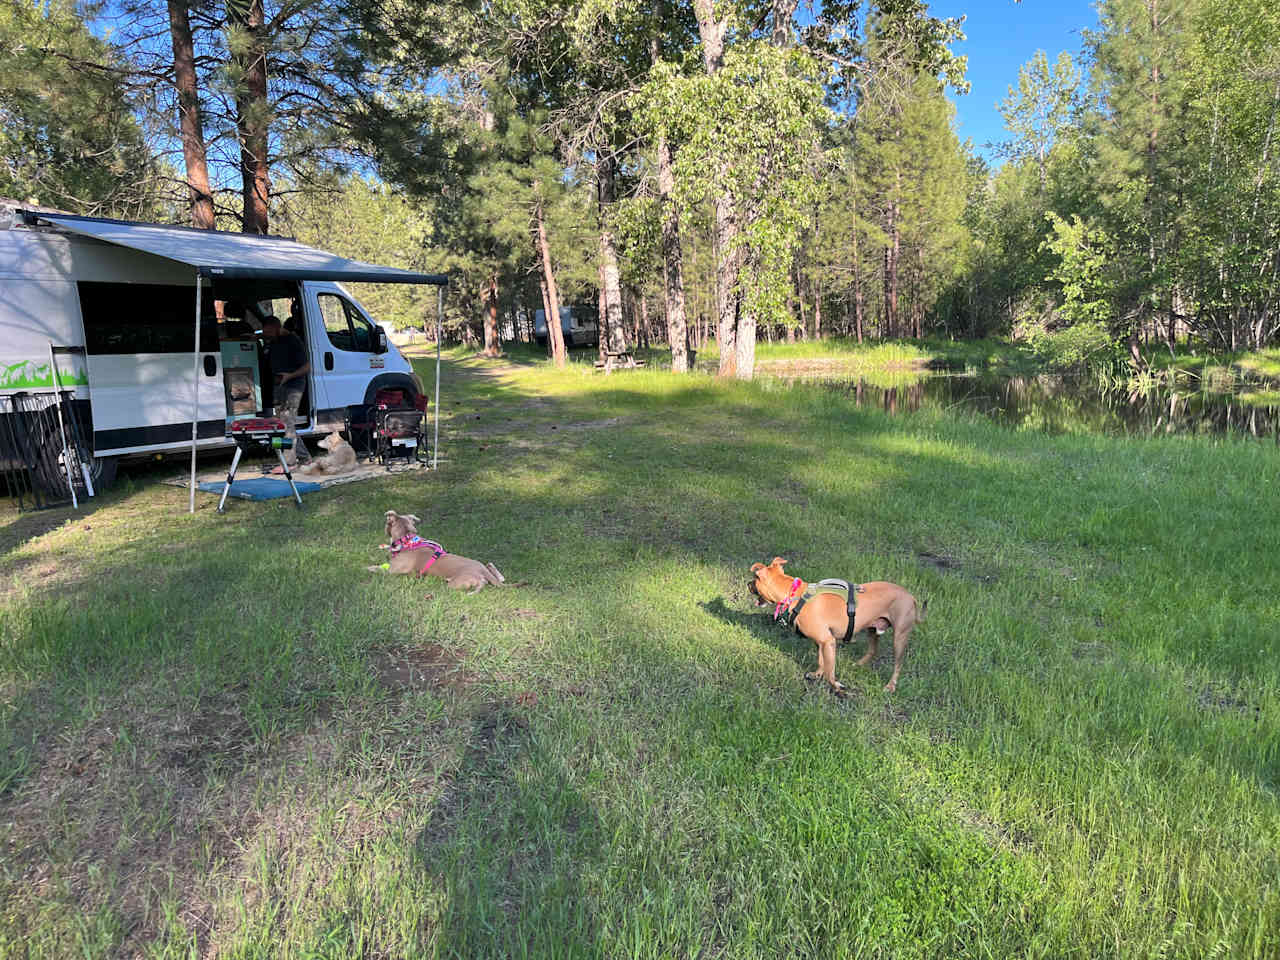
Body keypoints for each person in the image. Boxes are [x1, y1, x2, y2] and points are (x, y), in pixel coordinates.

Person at [261, 314, 312, 469]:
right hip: (279, 386)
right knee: (283, 424)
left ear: (277, 328)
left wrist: (290, 376)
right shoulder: (273, 340)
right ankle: (305, 457)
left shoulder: (293, 341)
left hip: (294, 386)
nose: (267, 337)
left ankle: (289, 462)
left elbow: (307, 367)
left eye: (269, 333)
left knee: (287, 423)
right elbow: (261, 334)